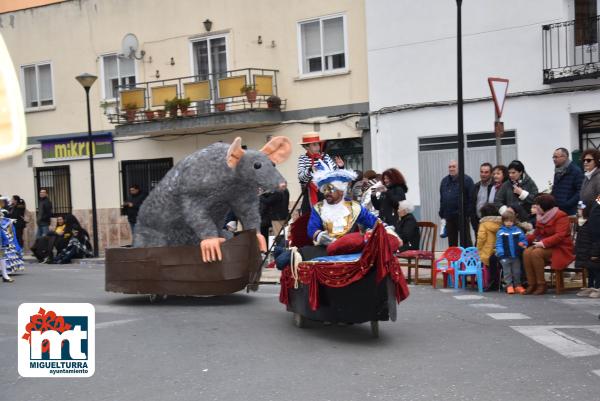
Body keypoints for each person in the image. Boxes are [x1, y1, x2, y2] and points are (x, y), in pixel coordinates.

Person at [523, 194, 574, 295]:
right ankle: (532, 284)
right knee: (526, 252)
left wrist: (543, 243)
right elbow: (536, 234)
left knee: (536, 253)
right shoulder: (541, 217)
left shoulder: (561, 215)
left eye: (537, 206)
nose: (535, 208)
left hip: (560, 247)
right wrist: (523, 240)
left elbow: (560, 236)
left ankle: (541, 284)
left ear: (544, 207)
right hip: (546, 245)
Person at [297, 132, 343, 214]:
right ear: (306, 147)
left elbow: (335, 174)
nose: (317, 147)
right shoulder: (303, 158)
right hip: (310, 193)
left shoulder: (325, 157)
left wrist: (340, 167)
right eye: (314, 145)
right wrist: (310, 171)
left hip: (327, 191)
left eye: (318, 144)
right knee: (309, 216)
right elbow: (301, 177)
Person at [439, 160, 474, 247]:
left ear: (459, 168)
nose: (451, 169)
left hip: (462, 217)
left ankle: (467, 260)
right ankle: (453, 260)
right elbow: (442, 198)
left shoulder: (467, 180)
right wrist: (442, 213)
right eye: (450, 167)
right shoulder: (444, 181)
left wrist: (467, 214)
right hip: (449, 217)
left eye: (454, 166)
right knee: (452, 243)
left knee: (466, 241)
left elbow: (471, 199)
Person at [496, 210, 528, 294]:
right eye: (506, 221)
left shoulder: (518, 230)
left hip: (515, 255)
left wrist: (523, 244)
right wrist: (500, 253)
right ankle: (509, 286)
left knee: (517, 271)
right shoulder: (501, 232)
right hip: (505, 256)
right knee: (507, 272)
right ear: (503, 221)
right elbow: (498, 243)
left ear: (513, 221)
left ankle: (517, 285)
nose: (509, 223)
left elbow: (523, 239)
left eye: (510, 221)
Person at [575, 199, 600, 297]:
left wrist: (595, 253)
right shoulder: (582, 222)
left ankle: (598, 287)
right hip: (585, 251)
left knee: (596, 269)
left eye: (581, 209)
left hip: (593, 251)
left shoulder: (593, 222)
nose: (578, 211)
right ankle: (590, 286)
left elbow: (596, 239)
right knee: (590, 269)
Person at [551, 147, 583, 216]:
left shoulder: (576, 171)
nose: (554, 159)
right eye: (553, 157)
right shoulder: (557, 170)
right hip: (558, 210)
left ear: (565, 157)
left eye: (556, 157)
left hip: (571, 212)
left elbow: (580, 191)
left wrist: (567, 204)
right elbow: (555, 188)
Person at [471, 163, 493, 239]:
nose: (483, 174)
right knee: (479, 242)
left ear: (491, 173)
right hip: (477, 220)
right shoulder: (476, 186)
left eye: (486, 172)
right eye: (481, 172)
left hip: (490, 221)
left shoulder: (494, 186)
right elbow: (472, 203)